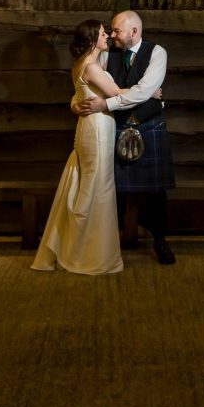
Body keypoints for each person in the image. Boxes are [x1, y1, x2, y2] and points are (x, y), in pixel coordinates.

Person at [75, 10, 176, 265]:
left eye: (117, 31)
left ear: (134, 31)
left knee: (156, 191)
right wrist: (78, 105)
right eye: (109, 31)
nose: (111, 35)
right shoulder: (108, 54)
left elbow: (143, 92)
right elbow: (88, 86)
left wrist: (106, 105)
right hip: (116, 128)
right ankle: (110, 242)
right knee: (113, 189)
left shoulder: (157, 52)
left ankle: (160, 240)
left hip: (150, 125)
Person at [31, 20, 126, 275]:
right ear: (94, 39)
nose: (108, 36)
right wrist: (149, 91)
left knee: (89, 182)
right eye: (104, 33)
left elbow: (80, 95)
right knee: (98, 185)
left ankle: (78, 246)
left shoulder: (82, 63)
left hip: (90, 126)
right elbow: (116, 93)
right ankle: (87, 254)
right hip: (96, 129)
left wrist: (75, 104)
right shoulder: (92, 66)